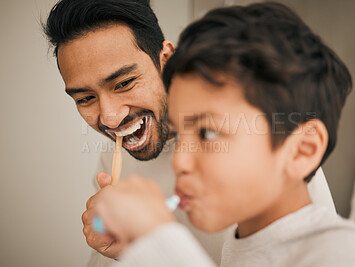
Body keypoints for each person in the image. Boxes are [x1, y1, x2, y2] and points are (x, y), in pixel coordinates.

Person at [43, 0, 335, 265]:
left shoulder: (272, 151)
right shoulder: (113, 162)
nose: (110, 117)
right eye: (85, 98)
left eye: (124, 83)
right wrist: (122, 249)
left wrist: (157, 237)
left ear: (166, 59)